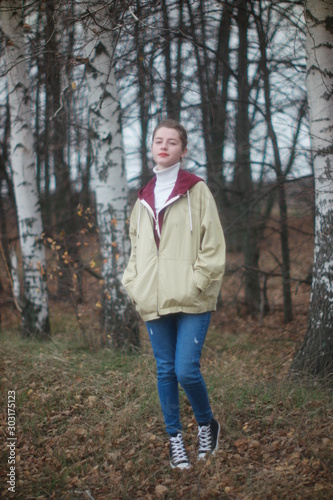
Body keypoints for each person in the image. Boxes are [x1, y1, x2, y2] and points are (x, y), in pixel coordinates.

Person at [122, 119, 226, 470]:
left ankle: (206, 424)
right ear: (151, 147)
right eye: (158, 141)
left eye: (172, 142)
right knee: (165, 370)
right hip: (153, 298)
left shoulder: (196, 190)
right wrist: (134, 286)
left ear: (184, 149)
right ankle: (175, 440)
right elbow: (136, 251)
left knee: (186, 370)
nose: (164, 146)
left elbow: (213, 245)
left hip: (193, 298)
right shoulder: (142, 199)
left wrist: (198, 283)